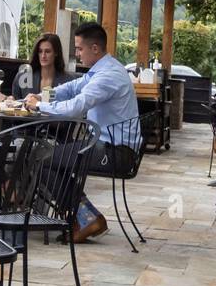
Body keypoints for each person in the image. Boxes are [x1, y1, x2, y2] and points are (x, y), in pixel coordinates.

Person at [24, 23, 139, 242]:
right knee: (50, 157)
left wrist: (39, 106)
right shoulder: (104, 69)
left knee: (41, 158)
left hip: (116, 153)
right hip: (107, 146)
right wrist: (42, 96)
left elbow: (77, 106)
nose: (77, 54)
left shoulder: (108, 76)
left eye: (79, 49)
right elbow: (73, 87)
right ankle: (85, 216)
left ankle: (86, 218)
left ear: (95, 48)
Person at [9, 32, 75, 100]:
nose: (43, 56)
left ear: (56, 52)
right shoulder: (23, 76)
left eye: (47, 51)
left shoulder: (68, 81)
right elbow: (15, 104)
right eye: (40, 51)